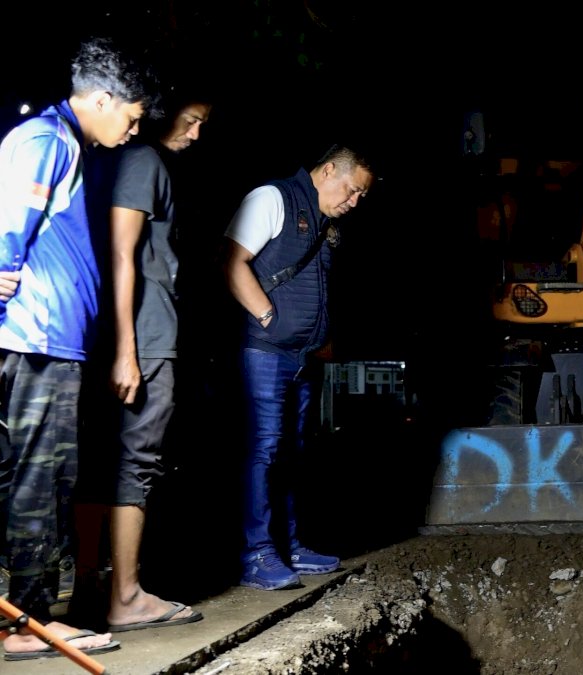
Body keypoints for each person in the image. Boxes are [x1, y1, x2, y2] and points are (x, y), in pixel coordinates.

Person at [0, 36, 159, 661]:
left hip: (46, 339)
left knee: (30, 479)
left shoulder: (63, 143)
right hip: (34, 340)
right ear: (100, 99)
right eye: (132, 115)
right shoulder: (47, 140)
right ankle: (27, 624)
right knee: (42, 479)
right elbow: (11, 221)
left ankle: (23, 616)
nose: (133, 128)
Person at [78, 77, 214, 633]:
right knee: (137, 459)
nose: (198, 132)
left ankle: (93, 587)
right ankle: (127, 597)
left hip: (118, 331)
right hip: (145, 335)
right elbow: (121, 252)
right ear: (162, 107)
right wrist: (128, 351)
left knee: (100, 461)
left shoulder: (120, 158)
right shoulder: (144, 161)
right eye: (193, 117)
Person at [223, 145, 374, 590]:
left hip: (302, 357)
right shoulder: (272, 198)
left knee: (292, 452)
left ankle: (288, 546)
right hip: (266, 351)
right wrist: (269, 317)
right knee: (264, 449)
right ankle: (256, 554)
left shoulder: (326, 221)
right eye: (351, 190)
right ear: (328, 171)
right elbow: (231, 261)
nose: (354, 201)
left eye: (361, 195)